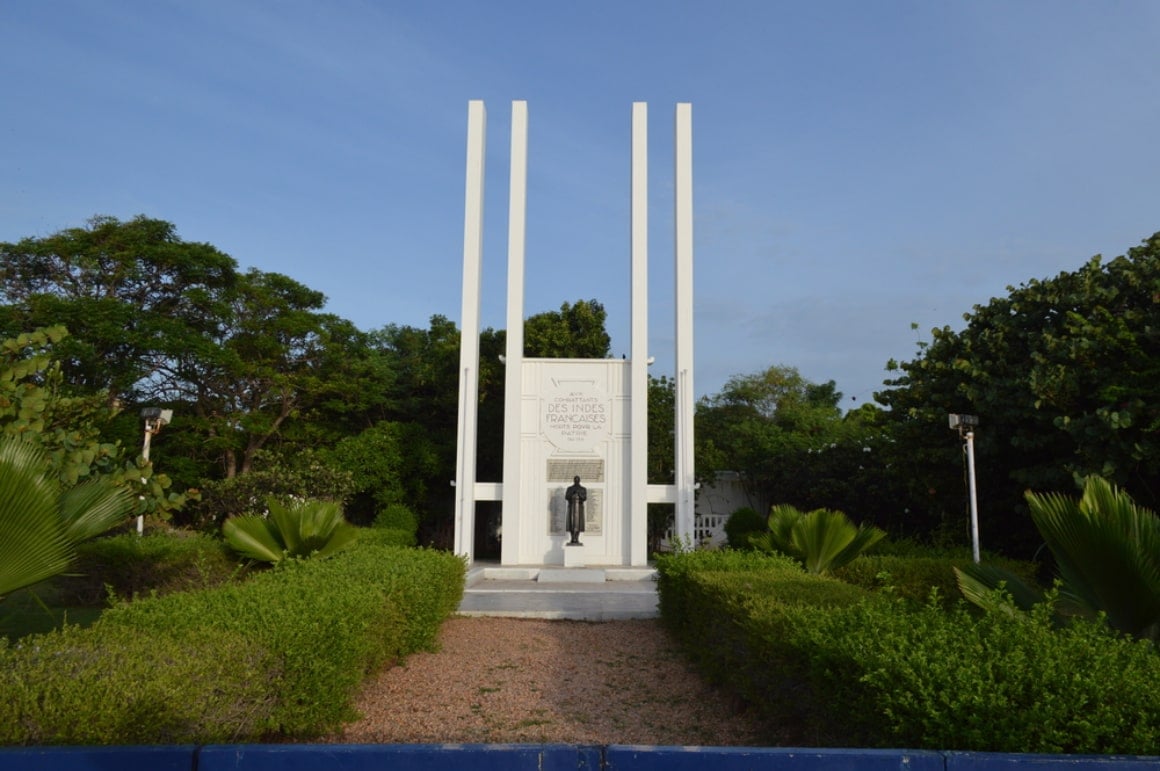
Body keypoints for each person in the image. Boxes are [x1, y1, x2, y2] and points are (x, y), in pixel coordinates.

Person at [564, 476, 587, 545]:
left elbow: (584, 498)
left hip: (579, 507)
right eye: (575, 480)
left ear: (579, 480)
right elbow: (566, 497)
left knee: (578, 523)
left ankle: (576, 538)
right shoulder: (570, 488)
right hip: (571, 507)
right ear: (574, 480)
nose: (576, 481)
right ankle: (572, 538)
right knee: (571, 522)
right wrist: (572, 493)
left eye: (577, 480)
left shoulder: (583, 489)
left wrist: (579, 493)